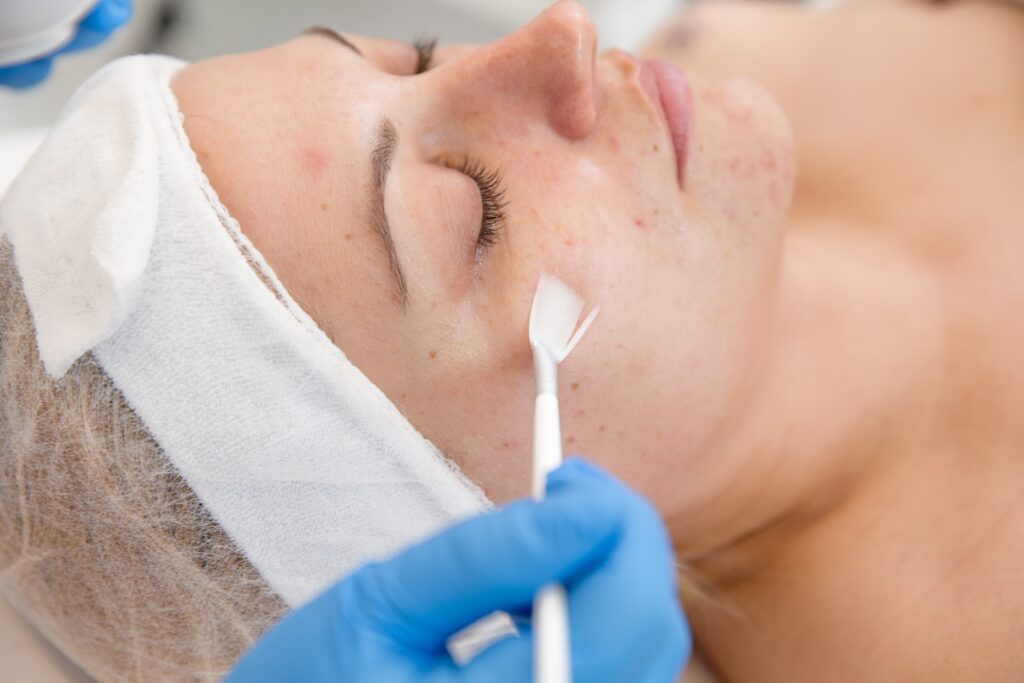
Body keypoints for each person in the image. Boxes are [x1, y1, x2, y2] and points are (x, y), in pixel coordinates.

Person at [1, 0, 1022, 681]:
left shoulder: (742, 45)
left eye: (419, 59)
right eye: (472, 212)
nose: (560, 35)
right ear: (480, 532)